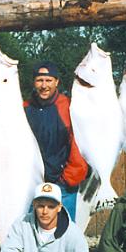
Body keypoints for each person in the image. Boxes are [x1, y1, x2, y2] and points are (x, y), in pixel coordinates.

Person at [24, 61, 88, 221]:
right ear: (33, 82)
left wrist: (68, 178)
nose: (44, 85)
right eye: (39, 80)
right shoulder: (24, 108)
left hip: (63, 185)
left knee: (64, 232)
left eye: (48, 80)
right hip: (31, 185)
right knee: (33, 232)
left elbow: (79, 144)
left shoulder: (69, 106)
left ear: (57, 82)